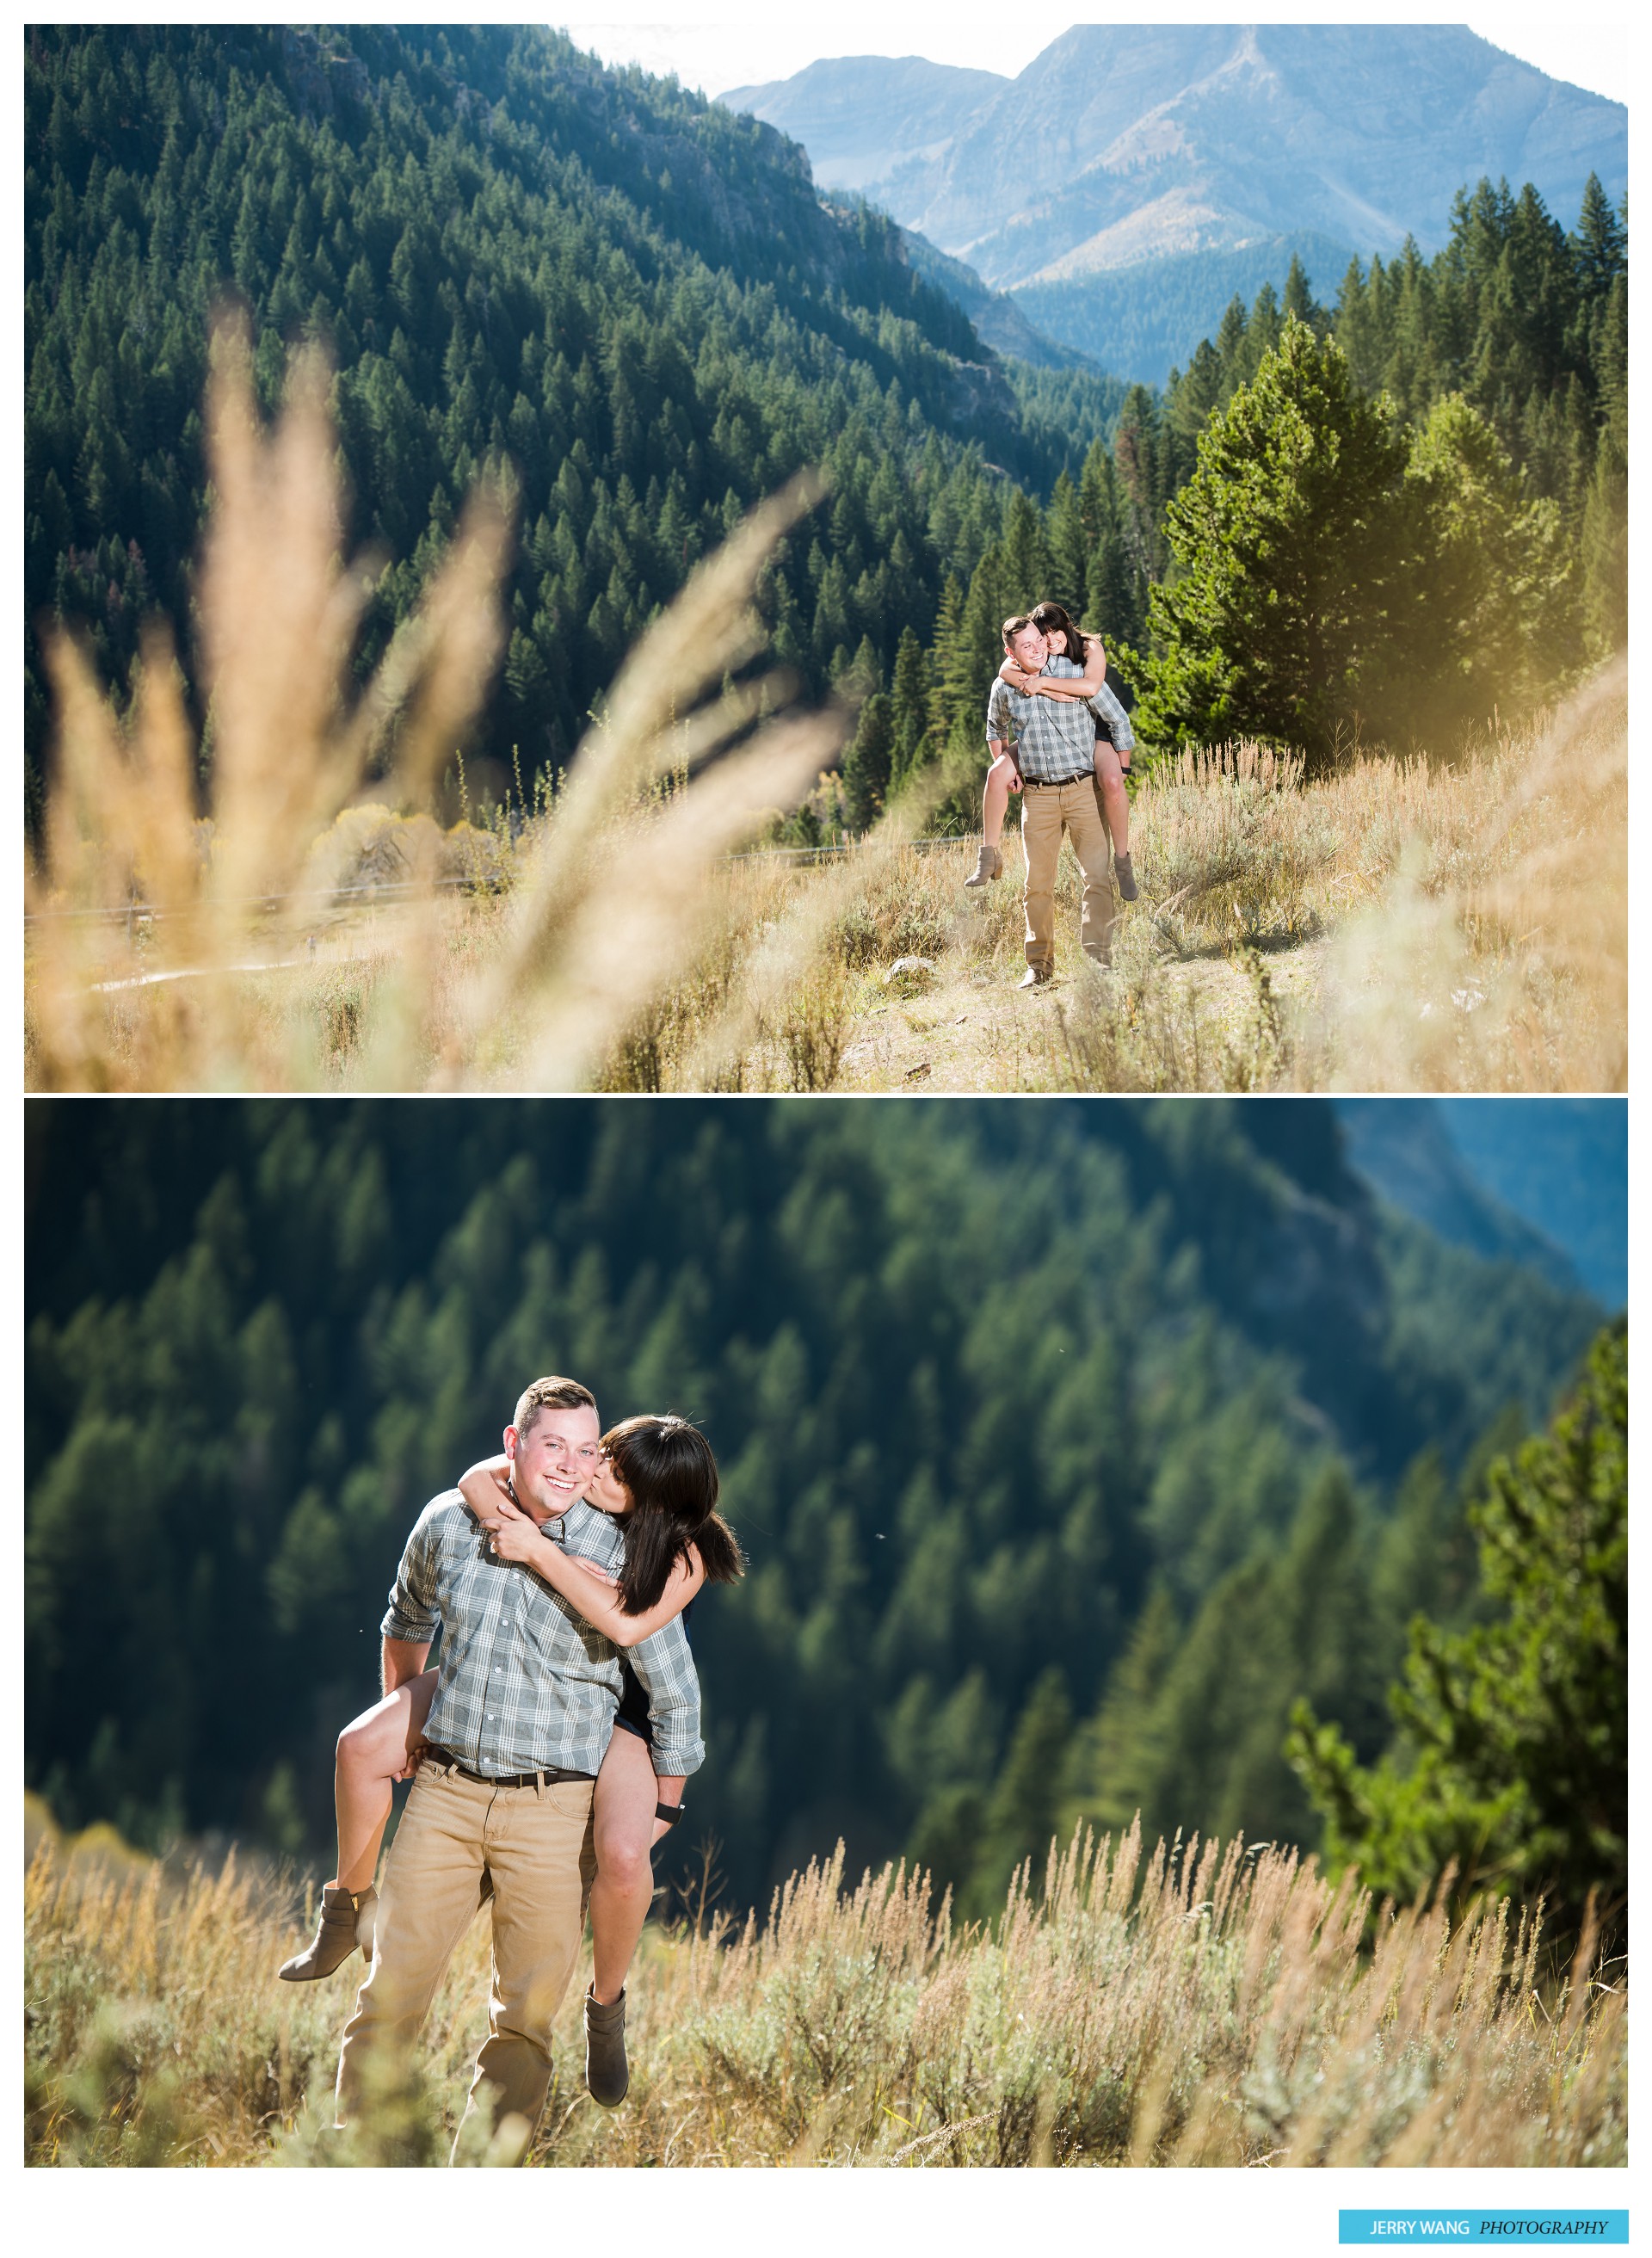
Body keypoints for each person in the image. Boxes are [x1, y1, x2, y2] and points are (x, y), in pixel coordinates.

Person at [328, 1377, 715, 2155]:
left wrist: (668, 1800)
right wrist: (483, 1484)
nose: (584, 1473)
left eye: (604, 1471)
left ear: (644, 1507)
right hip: (462, 1774)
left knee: (610, 1879)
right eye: (582, 1455)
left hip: (604, 1744)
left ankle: (603, 2013)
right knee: (389, 1996)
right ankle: (356, 2172)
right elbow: (423, 1585)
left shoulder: (658, 1561)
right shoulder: (489, 1505)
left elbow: (670, 1686)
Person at [980, 614, 1120, 985]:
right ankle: (1039, 965)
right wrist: (1006, 770)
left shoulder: (1073, 671)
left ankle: (1098, 957)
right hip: (1037, 796)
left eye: (1038, 640)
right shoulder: (1005, 686)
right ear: (1010, 653)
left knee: (1096, 877)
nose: (1038, 647)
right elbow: (995, 728)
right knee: (1037, 884)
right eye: (1026, 645)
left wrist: (1120, 765)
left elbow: (1108, 706)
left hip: (1082, 790)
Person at [967, 603, 1137, 898]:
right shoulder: (1016, 673)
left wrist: (1124, 767)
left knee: (1112, 783)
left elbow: (1096, 690)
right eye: (1039, 637)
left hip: (1093, 732)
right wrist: (1041, 686)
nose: (1047, 642)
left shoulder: (1086, 651)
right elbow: (998, 714)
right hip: (1041, 740)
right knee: (996, 774)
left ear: (1067, 628)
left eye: (1054, 632)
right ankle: (988, 855)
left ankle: (1123, 863)